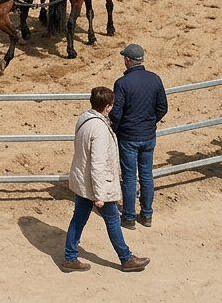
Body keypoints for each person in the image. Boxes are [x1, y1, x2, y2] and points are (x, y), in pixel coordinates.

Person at [62, 86, 150, 273]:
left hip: (84, 182)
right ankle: (126, 258)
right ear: (108, 106)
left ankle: (70, 257)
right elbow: (98, 164)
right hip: (97, 185)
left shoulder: (84, 119)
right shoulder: (100, 129)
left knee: (78, 219)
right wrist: (100, 195)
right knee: (112, 220)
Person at [110, 43, 167, 229]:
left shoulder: (122, 83)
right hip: (148, 135)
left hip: (128, 137)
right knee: (146, 174)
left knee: (128, 176)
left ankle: (128, 217)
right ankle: (147, 214)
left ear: (128, 60)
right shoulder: (155, 79)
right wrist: (150, 122)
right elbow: (162, 108)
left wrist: (117, 129)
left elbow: (116, 113)